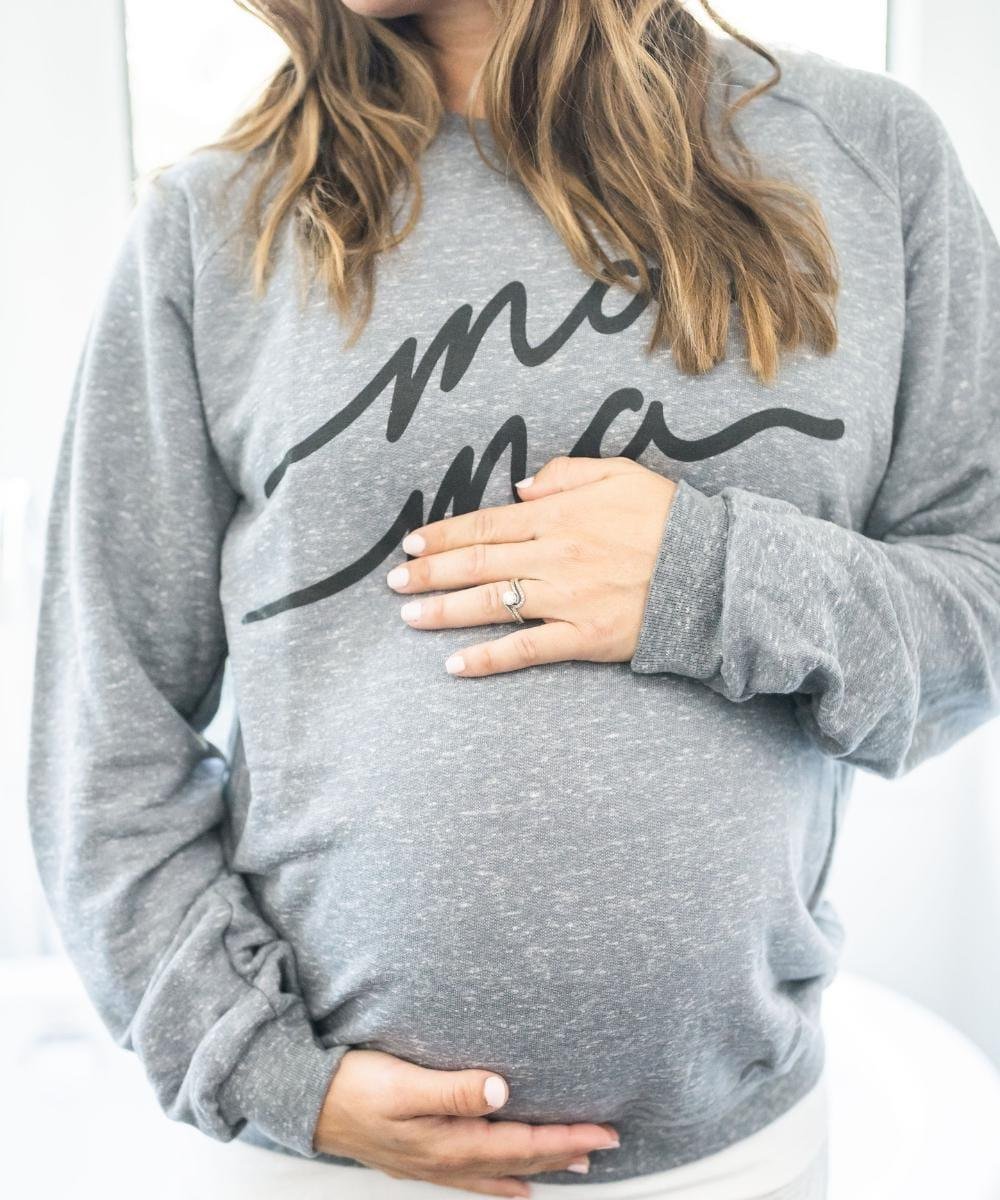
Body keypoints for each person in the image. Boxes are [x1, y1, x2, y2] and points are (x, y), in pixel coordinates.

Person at [25, 1, 1000, 1198]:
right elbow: (100, 731)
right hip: (329, 1163)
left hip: (733, 1159)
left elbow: (981, 612)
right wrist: (264, 1072)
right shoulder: (215, 221)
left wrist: (705, 579)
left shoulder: (866, 156)